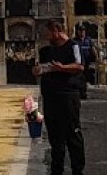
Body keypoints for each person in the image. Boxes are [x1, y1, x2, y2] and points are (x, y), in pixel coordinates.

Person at [34, 20, 86, 175]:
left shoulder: (73, 46)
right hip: (50, 97)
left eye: (47, 33)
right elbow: (44, 67)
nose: (45, 36)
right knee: (55, 136)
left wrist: (62, 68)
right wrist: (38, 71)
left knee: (72, 133)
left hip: (67, 96)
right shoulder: (49, 50)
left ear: (56, 31)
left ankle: (77, 170)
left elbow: (79, 66)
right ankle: (56, 170)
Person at [72, 23, 98, 100]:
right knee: (79, 78)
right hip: (79, 63)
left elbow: (93, 49)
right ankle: (80, 93)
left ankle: (83, 93)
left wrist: (96, 57)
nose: (82, 32)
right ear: (77, 32)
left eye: (83, 31)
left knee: (85, 78)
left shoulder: (88, 40)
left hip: (87, 62)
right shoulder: (75, 40)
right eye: (80, 31)